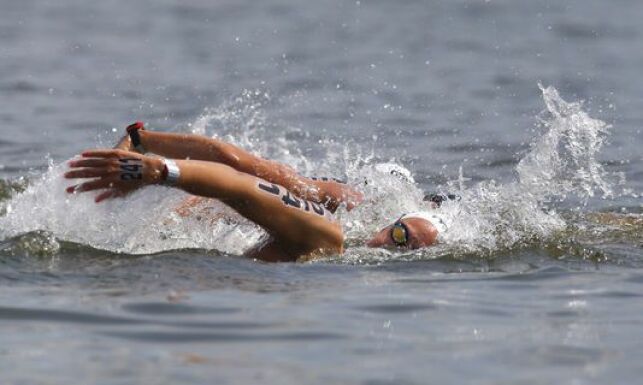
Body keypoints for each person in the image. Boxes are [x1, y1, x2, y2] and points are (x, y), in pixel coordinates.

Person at [65, 122, 442, 261]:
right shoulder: (336, 220)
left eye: (402, 247)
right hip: (211, 198)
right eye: (397, 234)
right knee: (258, 177)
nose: (389, 245)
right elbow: (242, 179)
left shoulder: (339, 243)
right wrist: (154, 162)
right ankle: (141, 143)